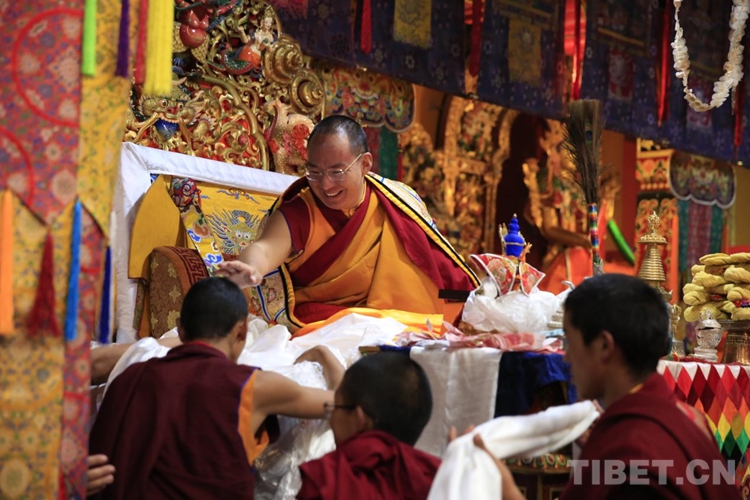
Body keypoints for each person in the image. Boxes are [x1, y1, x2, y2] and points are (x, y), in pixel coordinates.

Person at [487, 274, 741, 499]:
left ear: (604, 346)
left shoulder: (629, 451)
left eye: (570, 343)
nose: (566, 358)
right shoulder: (690, 418)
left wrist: (508, 493)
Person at [88, 277, 344, 499]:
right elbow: (344, 403)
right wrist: (321, 353)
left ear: (180, 329)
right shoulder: (255, 386)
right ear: (242, 331)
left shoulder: (132, 376)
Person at [216, 115, 478, 329]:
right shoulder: (301, 211)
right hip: (324, 326)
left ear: (365, 164)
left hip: (396, 322)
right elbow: (265, 249)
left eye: (336, 172)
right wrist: (250, 268)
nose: (325, 185)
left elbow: (435, 264)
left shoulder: (397, 202)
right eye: (314, 172)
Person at [297, 351, 440, 500]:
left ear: (359, 420)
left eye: (335, 407)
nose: (331, 416)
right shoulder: (434, 479)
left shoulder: (329, 483)